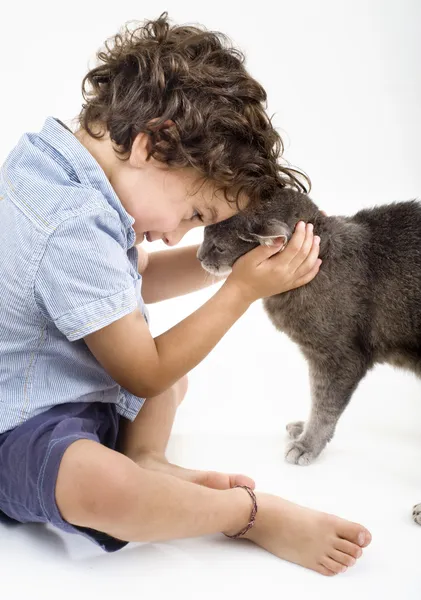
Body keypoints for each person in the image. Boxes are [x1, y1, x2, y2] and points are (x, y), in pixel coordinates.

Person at [0, 14, 371, 576]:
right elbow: (142, 374)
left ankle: (147, 457)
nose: (178, 234)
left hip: (75, 386)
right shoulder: (71, 221)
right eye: (196, 214)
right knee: (110, 482)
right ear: (154, 144)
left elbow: (125, 285)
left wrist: (232, 264)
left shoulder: (62, 175)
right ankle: (242, 514)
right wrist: (243, 290)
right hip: (22, 422)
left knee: (176, 370)